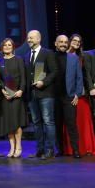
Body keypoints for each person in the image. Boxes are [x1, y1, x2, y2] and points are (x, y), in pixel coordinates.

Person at [62, 34, 95, 156]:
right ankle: (69, 148)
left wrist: (87, 90)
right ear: (69, 41)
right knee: (69, 121)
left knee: (82, 120)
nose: (77, 43)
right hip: (64, 95)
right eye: (74, 40)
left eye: (79, 42)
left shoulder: (82, 57)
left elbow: (86, 75)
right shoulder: (60, 56)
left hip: (80, 94)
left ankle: (86, 147)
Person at [24, 30, 58, 159]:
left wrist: (43, 82)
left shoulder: (48, 53)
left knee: (48, 121)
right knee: (36, 123)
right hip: (32, 94)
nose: (29, 40)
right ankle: (40, 149)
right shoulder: (27, 55)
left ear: (39, 39)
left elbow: (54, 72)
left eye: (31, 38)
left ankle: (50, 150)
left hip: (46, 93)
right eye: (28, 38)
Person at [0, 38, 27, 158]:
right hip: (6, 96)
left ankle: (19, 146)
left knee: (16, 122)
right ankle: (12, 147)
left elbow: (23, 77)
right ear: (2, 47)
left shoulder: (19, 59)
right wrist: (3, 90)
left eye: (9, 45)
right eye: (5, 45)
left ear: (13, 47)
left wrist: (21, 90)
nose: (7, 47)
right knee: (9, 123)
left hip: (17, 96)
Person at [54, 35, 83, 158]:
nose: (63, 44)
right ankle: (60, 150)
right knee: (57, 125)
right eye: (61, 42)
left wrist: (77, 94)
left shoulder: (73, 58)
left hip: (69, 96)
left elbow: (79, 77)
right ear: (55, 43)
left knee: (71, 124)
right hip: (54, 97)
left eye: (66, 42)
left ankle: (76, 150)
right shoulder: (50, 56)